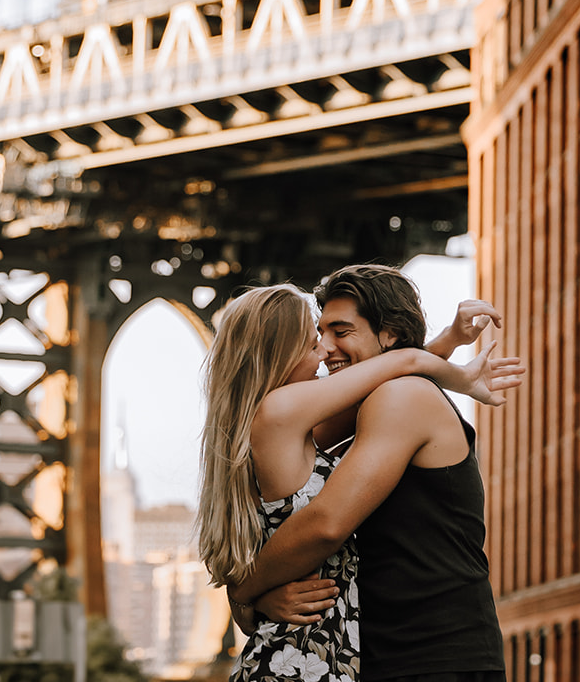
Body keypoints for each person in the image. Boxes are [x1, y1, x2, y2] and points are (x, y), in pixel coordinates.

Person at [197, 281, 520, 682]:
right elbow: (399, 364)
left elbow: (397, 366)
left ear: (390, 334)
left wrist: (246, 592)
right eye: (316, 337)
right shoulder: (284, 412)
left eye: (339, 332)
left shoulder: (393, 400)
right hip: (324, 656)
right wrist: (459, 374)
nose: (325, 349)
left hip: (419, 657)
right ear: (279, 349)